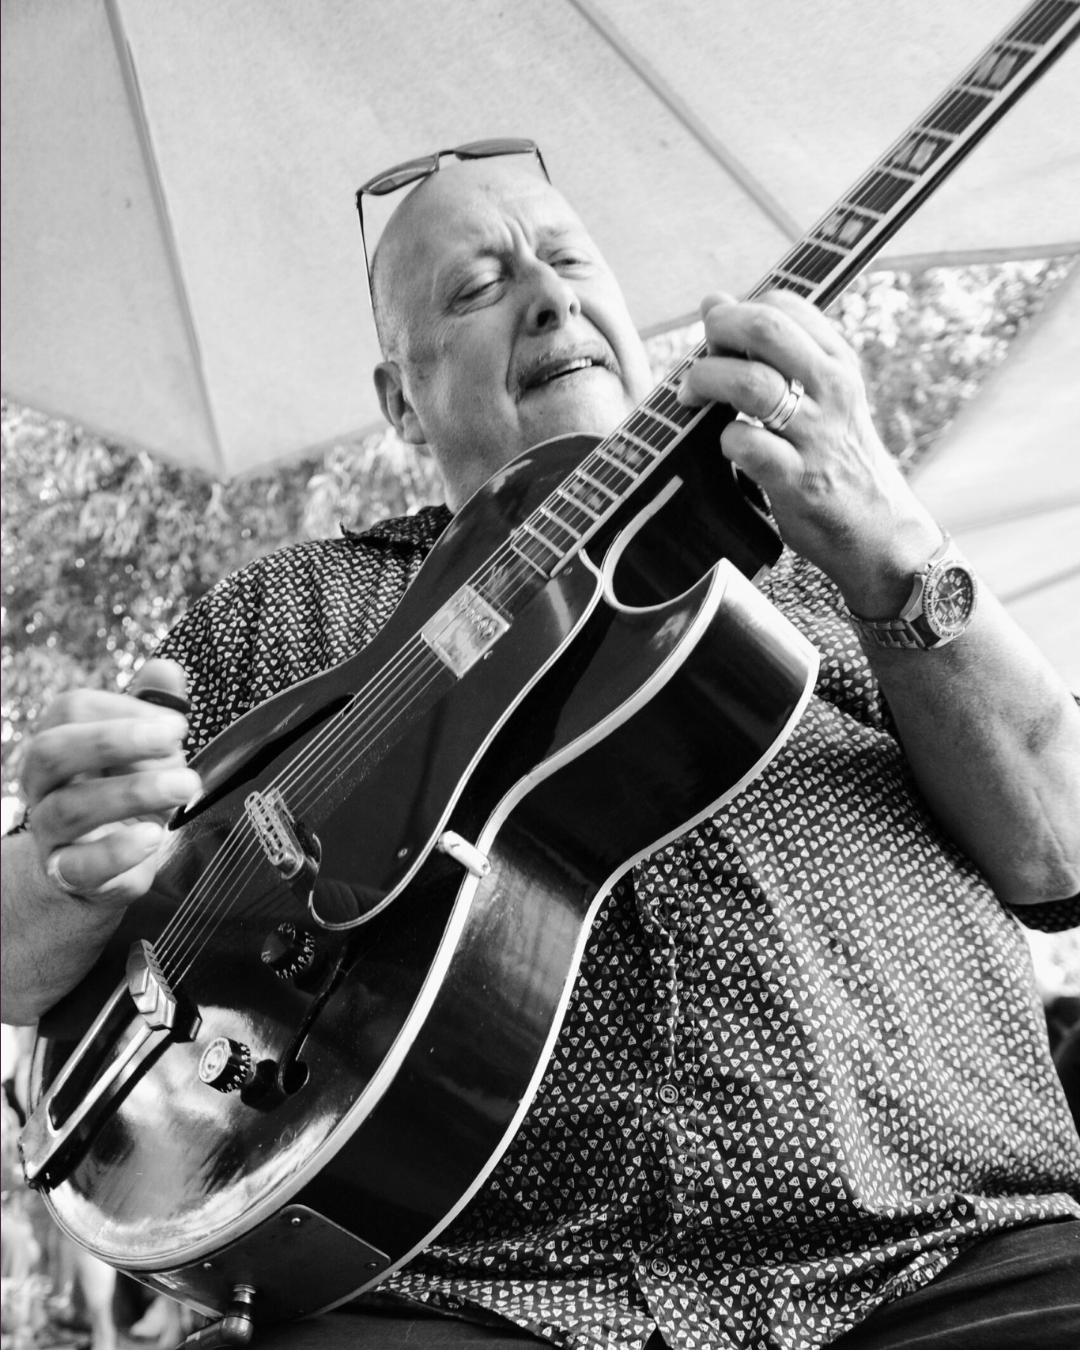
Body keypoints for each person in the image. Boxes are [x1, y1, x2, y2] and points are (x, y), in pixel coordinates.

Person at [2, 148, 1079, 1350]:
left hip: (949, 1255)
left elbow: (1061, 852)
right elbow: (14, 957)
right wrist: (62, 862)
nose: (551, 299)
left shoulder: (833, 566)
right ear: (400, 399)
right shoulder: (284, 612)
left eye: (569, 262)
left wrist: (894, 547)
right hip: (466, 1293)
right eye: (477, 288)